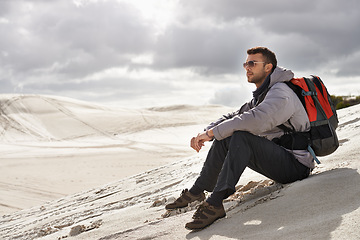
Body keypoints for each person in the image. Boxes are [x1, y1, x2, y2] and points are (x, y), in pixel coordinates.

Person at [165, 46, 314, 230]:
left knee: (240, 136)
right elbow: (233, 116)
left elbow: (256, 120)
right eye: (245, 63)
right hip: (279, 158)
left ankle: (215, 203)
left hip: (296, 166)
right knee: (226, 134)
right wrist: (207, 132)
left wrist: (211, 133)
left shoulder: (281, 93)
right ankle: (198, 191)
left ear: (268, 67)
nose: (247, 67)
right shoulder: (264, 94)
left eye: (252, 63)